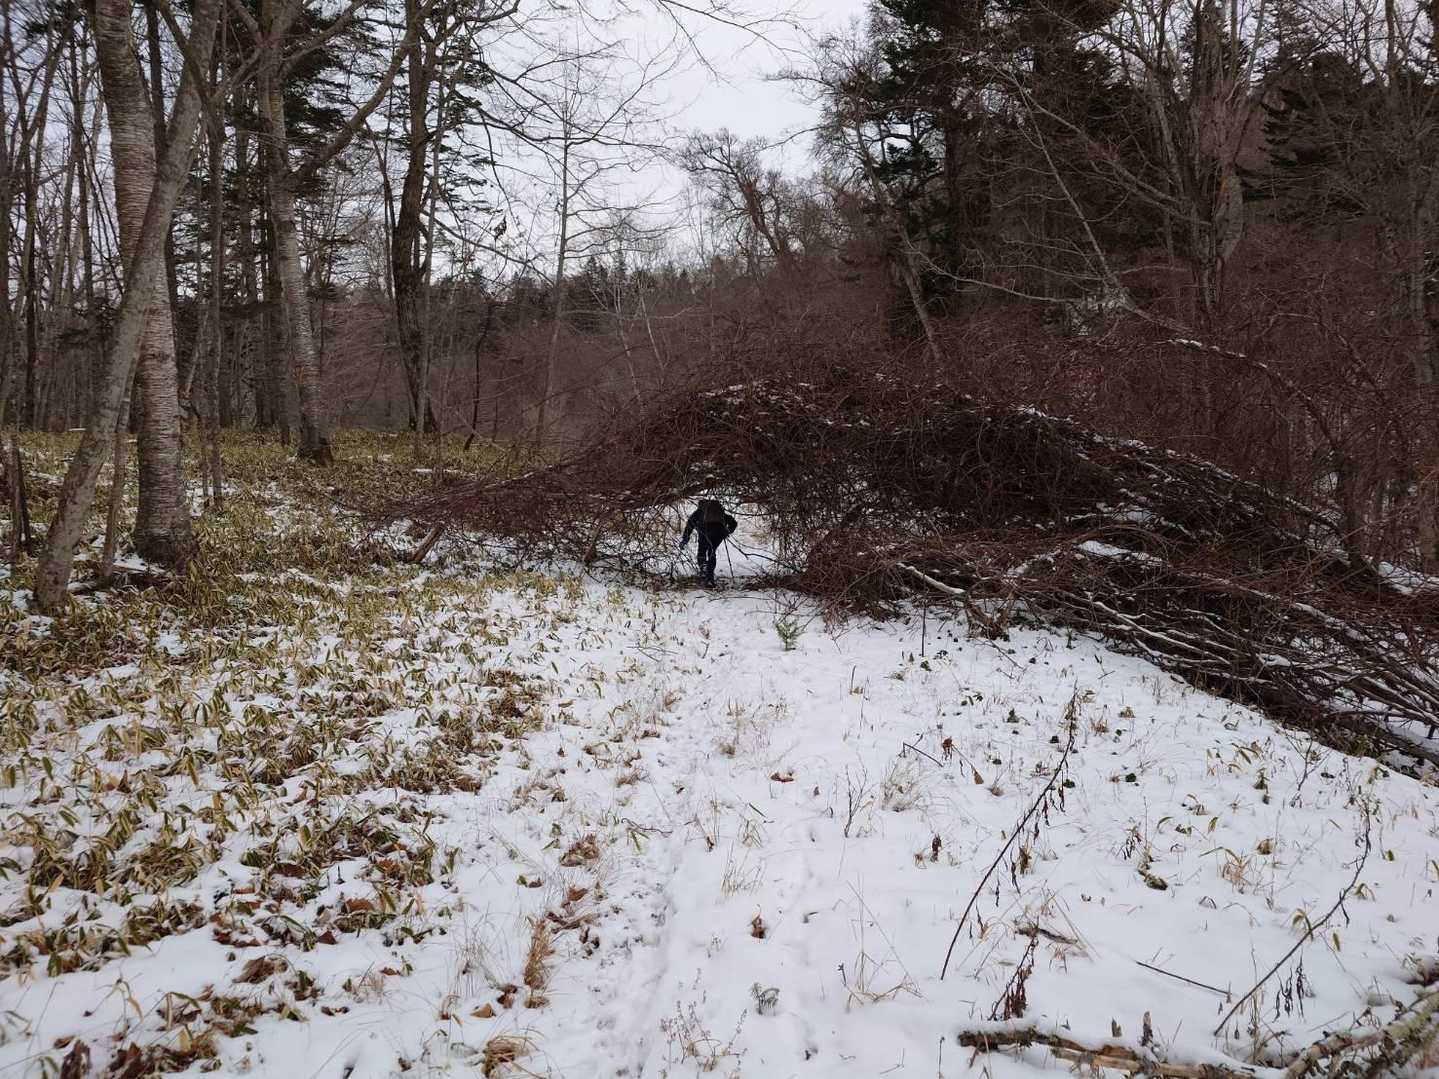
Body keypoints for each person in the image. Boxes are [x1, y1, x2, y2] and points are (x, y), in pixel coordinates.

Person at [680, 499, 737, 585]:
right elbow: (733, 523)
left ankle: (704, 570)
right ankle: (710, 577)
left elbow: (690, 524)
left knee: (702, 552)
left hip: (704, 531)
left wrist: (685, 538)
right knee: (712, 552)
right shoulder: (719, 512)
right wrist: (727, 532)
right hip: (718, 533)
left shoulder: (700, 511)